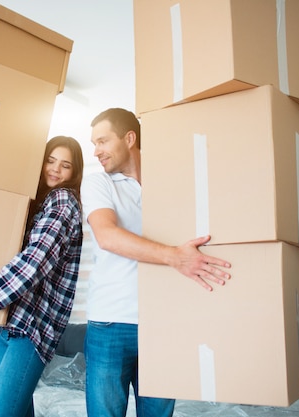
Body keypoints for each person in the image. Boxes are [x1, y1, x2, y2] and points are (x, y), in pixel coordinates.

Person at [81, 108, 232, 417]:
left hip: (163, 323)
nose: (96, 151)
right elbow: (107, 236)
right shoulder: (99, 184)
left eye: (102, 141)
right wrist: (175, 257)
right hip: (111, 321)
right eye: (94, 143)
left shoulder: (172, 184)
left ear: (130, 138)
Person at [0, 136, 84, 417]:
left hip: (30, 330)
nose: (55, 169)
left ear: (74, 172)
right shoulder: (32, 204)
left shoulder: (63, 202)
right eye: (50, 160)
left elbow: (35, 261)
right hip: (5, 324)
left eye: (65, 165)